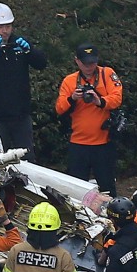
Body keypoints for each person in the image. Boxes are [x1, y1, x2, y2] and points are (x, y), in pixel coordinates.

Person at [55, 43, 123, 196]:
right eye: (85, 63)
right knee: (76, 190)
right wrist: (72, 98)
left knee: (107, 188)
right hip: (78, 144)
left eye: (92, 62)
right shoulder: (69, 81)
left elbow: (117, 98)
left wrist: (100, 101)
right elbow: (59, 108)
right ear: (77, 61)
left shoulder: (107, 74)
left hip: (103, 144)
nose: (89, 66)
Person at [0, 2, 47, 155]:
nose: (5, 31)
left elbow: (41, 63)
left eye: (8, 26)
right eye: (0, 27)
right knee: (0, 158)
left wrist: (30, 51)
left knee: (27, 157)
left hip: (20, 115)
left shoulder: (18, 44)